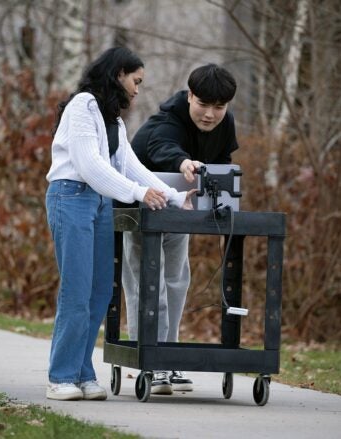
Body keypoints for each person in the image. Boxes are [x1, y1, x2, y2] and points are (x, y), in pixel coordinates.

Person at [45, 47, 194, 401]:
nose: (138, 90)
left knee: (100, 292)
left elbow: (130, 166)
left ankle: (82, 374)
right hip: (71, 197)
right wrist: (139, 193)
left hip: (99, 202)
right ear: (117, 74)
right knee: (77, 291)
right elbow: (89, 166)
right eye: (136, 81)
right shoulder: (82, 106)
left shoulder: (114, 120)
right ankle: (60, 376)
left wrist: (173, 196)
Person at [122, 63, 239, 395]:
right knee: (148, 284)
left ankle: (168, 359)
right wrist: (183, 162)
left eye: (219, 107)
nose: (210, 114)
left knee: (176, 282)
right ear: (190, 96)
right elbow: (163, 148)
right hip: (142, 210)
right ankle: (151, 361)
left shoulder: (224, 122)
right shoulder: (167, 120)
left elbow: (225, 161)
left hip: (180, 211)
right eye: (203, 104)